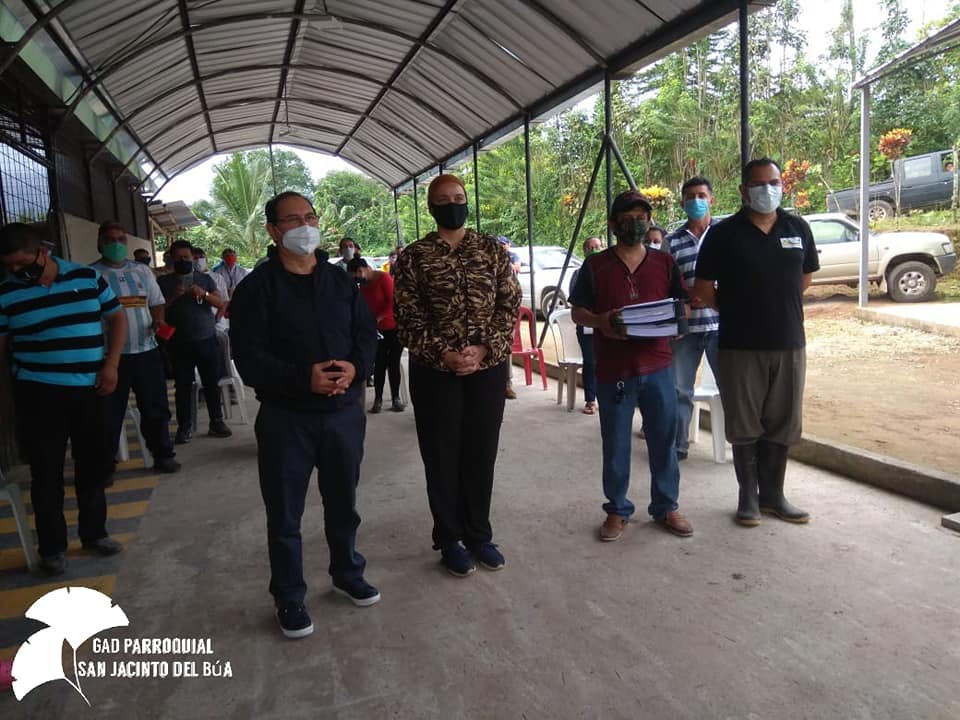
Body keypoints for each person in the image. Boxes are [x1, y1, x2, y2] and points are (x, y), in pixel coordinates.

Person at [230, 191, 380, 638]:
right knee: (285, 513)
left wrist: (356, 368)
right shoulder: (256, 289)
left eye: (310, 217)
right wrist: (302, 379)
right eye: (293, 219)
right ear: (273, 230)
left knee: (343, 502)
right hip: (286, 418)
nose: (305, 226)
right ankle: (289, 596)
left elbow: (365, 334)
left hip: (343, 413)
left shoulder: (340, 282)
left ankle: (347, 572)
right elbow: (248, 357)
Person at [394, 173, 521, 577]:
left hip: (487, 369)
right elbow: (407, 318)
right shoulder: (415, 257)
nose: (453, 204)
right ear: (431, 207)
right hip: (436, 372)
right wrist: (444, 354)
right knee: (441, 455)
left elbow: (509, 305)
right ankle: (449, 538)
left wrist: (484, 349)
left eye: (459, 197)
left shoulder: (491, 250)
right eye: (444, 199)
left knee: (481, 452)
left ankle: (479, 535)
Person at [693, 158, 819, 527]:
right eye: (759, 184)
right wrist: (737, 310)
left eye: (774, 182)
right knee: (744, 422)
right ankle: (748, 497)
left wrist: (776, 305)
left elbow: (805, 277)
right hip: (740, 346)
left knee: (783, 421)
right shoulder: (724, 234)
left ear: (783, 185)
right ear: (743, 191)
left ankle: (774, 497)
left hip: (789, 343)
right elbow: (703, 288)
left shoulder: (797, 228)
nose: (768, 190)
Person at [0, 223, 127, 575]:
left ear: (42, 253)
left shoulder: (86, 278)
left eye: (22, 263)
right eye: (9, 266)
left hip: (91, 389)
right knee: (46, 473)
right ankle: (52, 548)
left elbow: (117, 319)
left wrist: (112, 364)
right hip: (38, 393)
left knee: (94, 465)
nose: (16, 271)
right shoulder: (6, 293)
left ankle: (95, 533)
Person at [570, 190, 693, 542]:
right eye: (627, 219)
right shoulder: (596, 266)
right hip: (615, 371)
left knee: (664, 440)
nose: (636, 224)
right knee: (616, 444)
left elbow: (683, 304)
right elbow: (578, 312)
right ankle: (617, 509)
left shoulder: (664, 263)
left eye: (642, 218)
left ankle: (666, 506)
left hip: (658, 366)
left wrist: (677, 321)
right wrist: (600, 320)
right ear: (612, 225)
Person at [91, 221, 179, 475]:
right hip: (110, 357)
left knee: (155, 408)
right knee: (107, 414)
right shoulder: (90, 275)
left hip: (146, 351)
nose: (116, 244)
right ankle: (104, 466)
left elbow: (157, 303)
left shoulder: (142, 271)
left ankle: (163, 454)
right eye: (110, 240)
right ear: (100, 243)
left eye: (121, 239)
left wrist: (159, 320)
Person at [665, 176, 721, 461]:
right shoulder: (671, 242)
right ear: (682, 203)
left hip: (722, 328)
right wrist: (686, 296)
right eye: (690, 197)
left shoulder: (726, 235)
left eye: (701, 195)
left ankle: (743, 446)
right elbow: (664, 284)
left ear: (712, 199)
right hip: (686, 329)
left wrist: (711, 293)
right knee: (679, 390)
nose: (696, 201)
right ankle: (678, 446)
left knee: (733, 389)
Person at [157, 240, 232, 443]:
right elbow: (157, 310)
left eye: (186, 257)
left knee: (211, 382)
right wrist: (174, 297)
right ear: (171, 259)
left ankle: (216, 421)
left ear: (192, 258)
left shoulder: (205, 279)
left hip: (206, 338)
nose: (183, 261)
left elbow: (220, 303)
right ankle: (185, 426)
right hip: (179, 342)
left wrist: (204, 294)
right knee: (183, 386)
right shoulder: (163, 282)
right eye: (178, 258)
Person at [348, 257, 404, 413]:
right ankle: (378, 399)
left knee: (393, 363)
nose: (358, 279)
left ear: (363, 269)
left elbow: (392, 302)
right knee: (379, 364)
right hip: (375, 330)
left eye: (358, 274)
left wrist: (378, 318)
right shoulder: (363, 285)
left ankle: (395, 398)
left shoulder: (383, 278)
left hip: (393, 327)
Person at [570, 236, 603, 414]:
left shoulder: (608, 270)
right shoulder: (578, 274)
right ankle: (590, 400)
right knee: (590, 362)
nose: (594, 250)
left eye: (597, 246)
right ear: (584, 251)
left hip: (607, 324)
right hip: (587, 325)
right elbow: (576, 301)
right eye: (590, 247)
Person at [497, 235, 521, 400]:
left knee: (505, 349)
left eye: (503, 244)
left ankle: (506, 384)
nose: (501, 246)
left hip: (502, 316)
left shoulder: (511, 257)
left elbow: (512, 297)